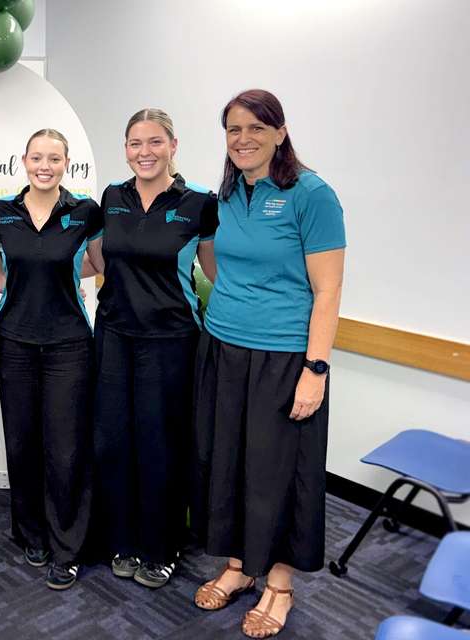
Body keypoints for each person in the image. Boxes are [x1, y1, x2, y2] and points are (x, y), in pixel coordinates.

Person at [191, 89, 345, 638]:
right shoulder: (227, 195)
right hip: (224, 346)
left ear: (280, 132)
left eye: (257, 127)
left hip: (285, 357)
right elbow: (214, 264)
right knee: (227, 462)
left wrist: (316, 368)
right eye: (233, 129)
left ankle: (278, 582)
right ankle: (238, 567)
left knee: (277, 473)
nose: (244, 139)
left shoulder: (312, 195)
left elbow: (327, 292)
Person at [89, 108, 217, 589]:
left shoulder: (198, 203)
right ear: (125, 149)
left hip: (171, 339)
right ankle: (122, 539)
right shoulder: (112, 197)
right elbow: (102, 260)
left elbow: (214, 273)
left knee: (162, 445)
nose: (145, 152)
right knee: (114, 442)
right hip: (116, 335)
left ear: (173, 145)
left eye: (155, 142)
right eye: (135, 143)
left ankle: (162, 546)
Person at [0, 129, 104, 590]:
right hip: (13, 342)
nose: (44, 165)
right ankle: (31, 532)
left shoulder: (84, 212)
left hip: (69, 344)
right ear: (24, 161)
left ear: (66, 162)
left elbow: (97, 262)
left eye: (54, 158)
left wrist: (62, 274)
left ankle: (67, 547)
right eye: (37, 157)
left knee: (67, 448)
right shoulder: (3, 212)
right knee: (22, 442)